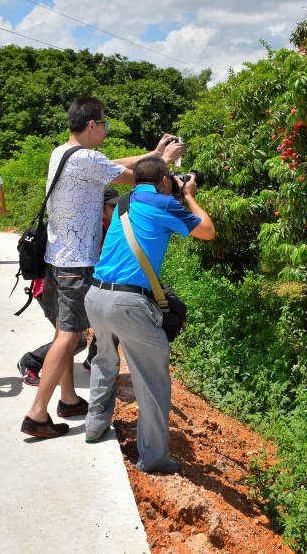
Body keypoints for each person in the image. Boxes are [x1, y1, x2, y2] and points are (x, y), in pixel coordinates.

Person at [19, 96, 184, 438]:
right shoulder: (87, 160)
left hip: (56, 258)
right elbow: (135, 179)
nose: (106, 129)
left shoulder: (63, 153)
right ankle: (37, 413)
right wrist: (163, 163)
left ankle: (67, 398)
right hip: (76, 264)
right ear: (92, 125)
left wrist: (153, 154)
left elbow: (114, 163)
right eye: (105, 124)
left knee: (64, 332)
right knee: (70, 336)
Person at [83, 156, 215, 473]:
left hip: (96, 295)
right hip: (128, 304)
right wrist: (190, 196)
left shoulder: (124, 202)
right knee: (153, 382)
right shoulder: (166, 205)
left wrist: (173, 189)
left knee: (104, 359)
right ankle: (154, 459)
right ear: (165, 181)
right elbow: (208, 231)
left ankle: (94, 425)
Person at [18, 186, 119, 386]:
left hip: (67, 285)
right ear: (98, 208)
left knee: (108, 321)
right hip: (50, 288)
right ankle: (31, 361)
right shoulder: (94, 229)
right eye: (112, 207)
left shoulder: (97, 226)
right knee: (76, 339)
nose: (116, 212)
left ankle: (93, 360)